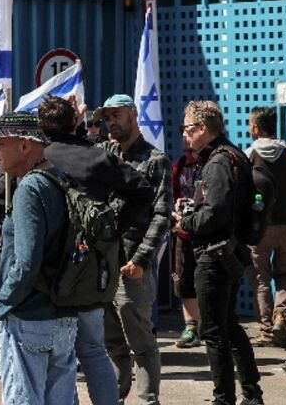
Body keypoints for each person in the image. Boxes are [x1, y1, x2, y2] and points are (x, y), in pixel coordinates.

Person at [38, 95, 151, 405]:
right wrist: (112, 229)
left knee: (58, 356)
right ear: (75, 121)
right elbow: (142, 191)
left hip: (44, 266)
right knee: (92, 349)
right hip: (88, 261)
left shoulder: (37, 156)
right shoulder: (96, 157)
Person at [172, 100, 263, 405]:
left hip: (215, 255)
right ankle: (252, 394)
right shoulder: (234, 154)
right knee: (228, 325)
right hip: (230, 252)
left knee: (213, 331)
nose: (184, 135)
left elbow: (216, 213)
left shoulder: (219, 162)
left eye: (187, 128)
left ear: (202, 128)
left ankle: (224, 399)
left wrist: (185, 220)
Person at [0, 111, 78, 405]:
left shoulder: (29, 188)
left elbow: (26, 261)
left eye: (0, 143)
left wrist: (4, 302)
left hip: (29, 317)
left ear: (25, 146)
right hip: (62, 314)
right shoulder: (61, 178)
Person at [97, 94, 172, 405]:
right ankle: (116, 396)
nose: (111, 122)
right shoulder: (106, 155)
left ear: (132, 114)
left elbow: (162, 214)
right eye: (107, 117)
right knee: (112, 341)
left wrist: (142, 258)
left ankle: (148, 399)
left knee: (140, 341)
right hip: (104, 263)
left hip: (132, 263)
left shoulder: (155, 161)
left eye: (117, 115)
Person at [245, 106, 286, 350]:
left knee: (261, 278)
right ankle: (281, 317)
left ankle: (266, 329)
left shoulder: (249, 154)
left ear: (256, 128)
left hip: (260, 227)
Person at [170, 146, 202, 348]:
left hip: (208, 233)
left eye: (188, 130)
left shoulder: (214, 163)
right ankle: (190, 326)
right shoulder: (179, 166)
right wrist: (175, 209)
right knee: (184, 281)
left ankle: (208, 325)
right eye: (182, 131)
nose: (185, 136)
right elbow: (170, 196)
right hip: (183, 232)